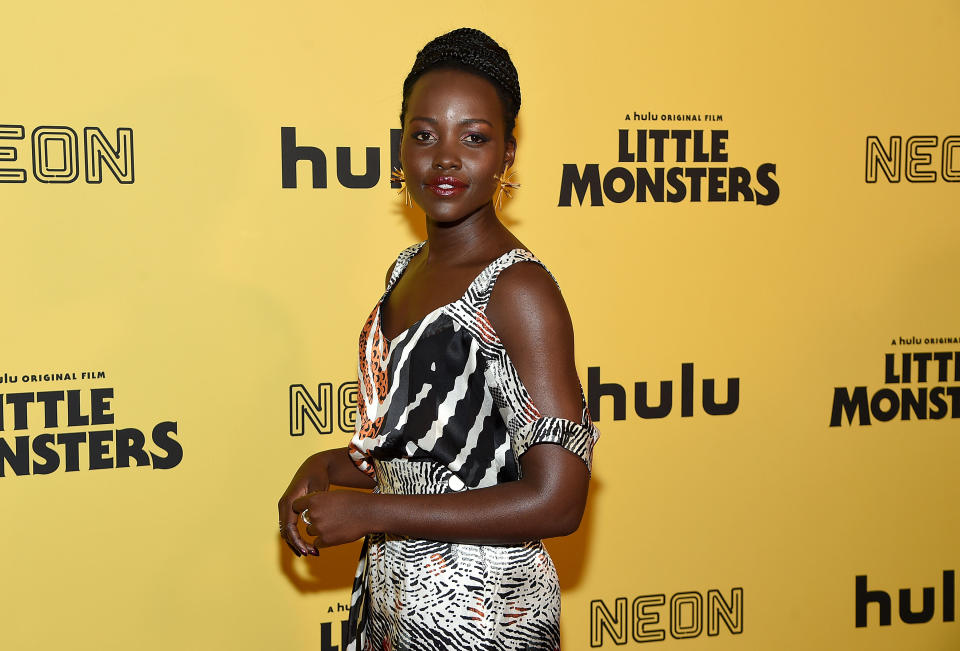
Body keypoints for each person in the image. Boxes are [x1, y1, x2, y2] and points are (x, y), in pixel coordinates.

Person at [278, 27, 599, 651]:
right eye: (424, 135)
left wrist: (370, 514)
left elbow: (558, 500)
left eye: (473, 138)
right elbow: (430, 461)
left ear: (507, 155)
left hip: (488, 620)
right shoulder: (407, 270)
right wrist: (326, 467)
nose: (445, 158)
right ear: (401, 148)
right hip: (391, 610)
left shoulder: (517, 291)